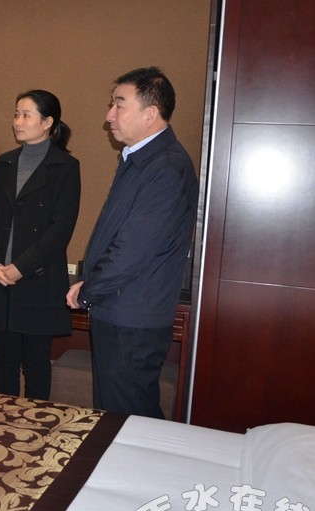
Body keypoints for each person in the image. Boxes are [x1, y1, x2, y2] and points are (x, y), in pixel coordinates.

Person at [66, 67, 198, 418]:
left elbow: (132, 249)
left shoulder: (165, 168)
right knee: (114, 415)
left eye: (119, 105)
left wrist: (88, 290)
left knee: (128, 419)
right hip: (119, 308)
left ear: (150, 113)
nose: (109, 115)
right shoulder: (141, 159)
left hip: (132, 317)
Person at [0, 90, 81, 400]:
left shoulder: (65, 166)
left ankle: (35, 426)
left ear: (48, 122)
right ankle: (2, 423)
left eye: (26, 115)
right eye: (16, 114)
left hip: (38, 279)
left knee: (36, 365)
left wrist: (21, 267)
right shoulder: (6, 162)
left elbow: (60, 229)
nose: (18, 122)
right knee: (5, 364)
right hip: (0, 280)